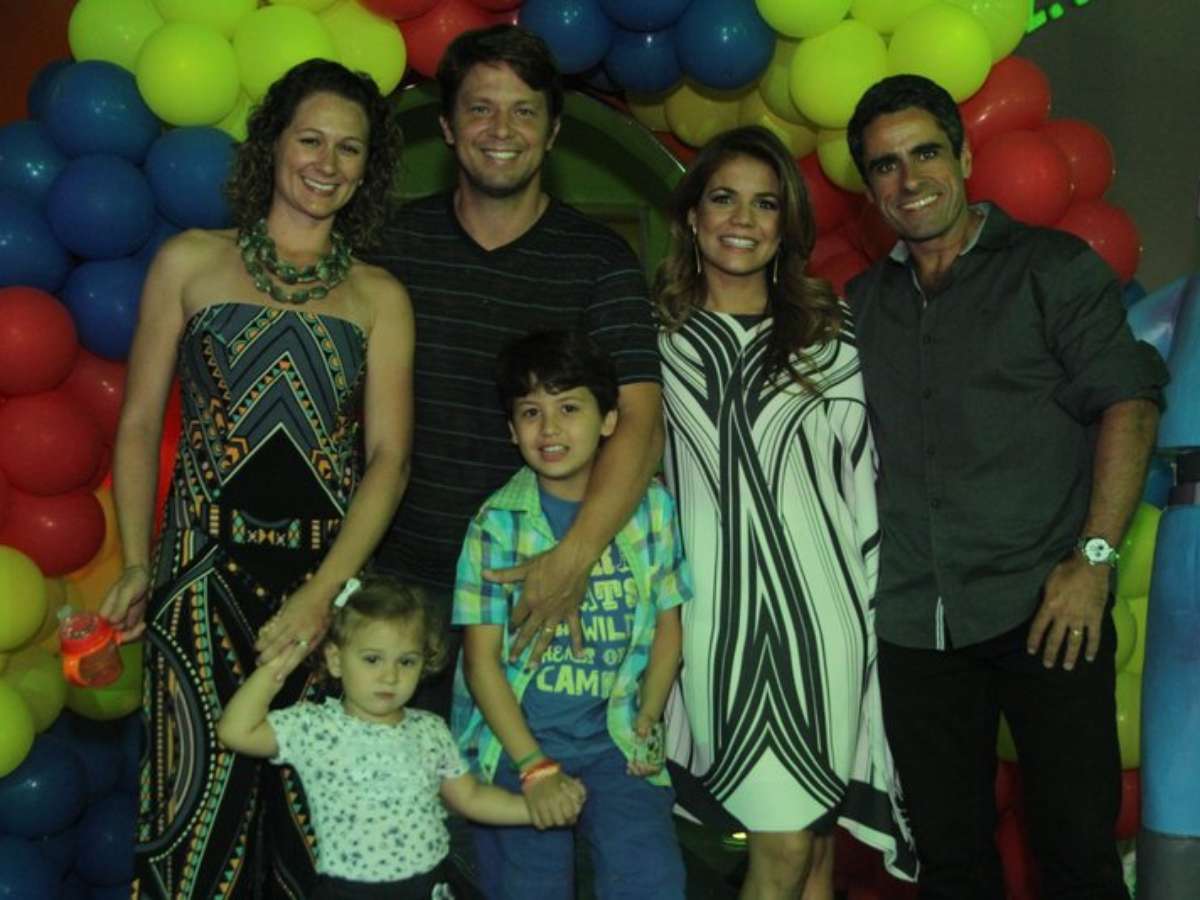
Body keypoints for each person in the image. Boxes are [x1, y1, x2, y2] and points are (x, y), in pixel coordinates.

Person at [845, 74, 1169, 899]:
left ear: (963, 157)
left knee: (1076, 855)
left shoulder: (1050, 270)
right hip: (913, 622)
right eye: (885, 165)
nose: (910, 179)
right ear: (870, 188)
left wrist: (1093, 562)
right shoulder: (861, 306)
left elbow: (1130, 403)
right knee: (950, 864)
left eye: (926, 153)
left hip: (1047, 607)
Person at [99, 60, 413, 898]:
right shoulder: (189, 261)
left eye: (350, 148)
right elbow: (138, 423)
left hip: (322, 590)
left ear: (368, 169)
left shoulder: (380, 296)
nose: (327, 163)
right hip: (197, 581)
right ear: (273, 144)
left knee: (317, 829)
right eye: (310, 139)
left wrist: (323, 594)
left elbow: (389, 459)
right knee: (191, 814)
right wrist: (137, 562)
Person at [366, 26, 664, 711]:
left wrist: (573, 559)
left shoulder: (600, 261)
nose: (502, 129)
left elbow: (641, 424)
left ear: (552, 131)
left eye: (524, 110)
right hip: (404, 595)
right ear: (447, 126)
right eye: (480, 108)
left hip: (544, 588)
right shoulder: (390, 247)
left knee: (543, 777)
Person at [655, 125, 914, 900]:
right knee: (785, 842)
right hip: (713, 622)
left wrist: (876, 616)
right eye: (723, 198)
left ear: (786, 224)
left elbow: (864, 484)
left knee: (815, 852)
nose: (743, 219)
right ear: (693, 215)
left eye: (765, 204)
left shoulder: (831, 339)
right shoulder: (652, 341)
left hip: (827, 621)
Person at [452, 330, 689, 899]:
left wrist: (647, 720)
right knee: (532, 883)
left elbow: (668, 627)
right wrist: (534, 766)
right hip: (518, 744)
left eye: (569, 408)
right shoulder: (496, 526)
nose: (550, 428)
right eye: (531, 412)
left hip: (615, 743)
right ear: (512, 431)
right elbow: (481, 664)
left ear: (609, 420)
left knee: (653, 878)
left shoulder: (652, 508)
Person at [217, 574, 554, 900]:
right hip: (350, 891)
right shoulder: (314, 727)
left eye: (406, 661)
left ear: (424, 663)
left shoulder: (430, 730)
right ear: (335, 660)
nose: (390, 676)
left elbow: (471, 797)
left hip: (429, 887)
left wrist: (535, 810)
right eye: (372, 659)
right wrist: (279, 666)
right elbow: (235, 732)